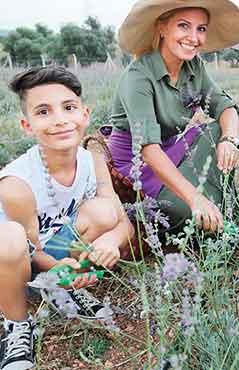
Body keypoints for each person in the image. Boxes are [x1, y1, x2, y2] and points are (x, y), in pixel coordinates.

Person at [0, 66, 134, 370]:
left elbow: (119, 218)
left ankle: (56, 287)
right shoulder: (16, 183)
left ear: (84, 114)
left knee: (104, 210)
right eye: (43, 111)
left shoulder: (93, 162)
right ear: (26, 124)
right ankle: (17, 325)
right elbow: (32, 252)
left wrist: (109, 244)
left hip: (49, 253)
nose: (60, 120)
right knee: (9, 237)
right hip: (11, 258)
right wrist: (63, 267)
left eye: (69, 107)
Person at [108, 0, 239, 233]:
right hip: (138, 163)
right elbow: (148, 149)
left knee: (217, 131)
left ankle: (222, 209)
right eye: (184, 26)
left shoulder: (194, 67)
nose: (194, 37)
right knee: (185, 212)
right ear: (162, 28)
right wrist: (195, 198)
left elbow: (225, 106)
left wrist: (230, 140)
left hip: (172, 151)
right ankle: (207, 209)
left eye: (201, 29)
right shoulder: (138, 77)